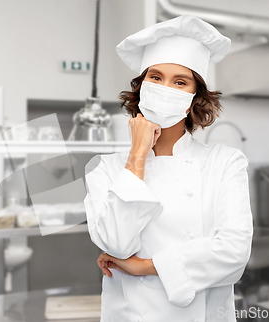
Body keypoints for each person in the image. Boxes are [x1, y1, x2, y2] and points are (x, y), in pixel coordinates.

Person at [83, 15, 253, 322]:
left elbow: (234, 253)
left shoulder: (224, 162)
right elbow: (116, 243)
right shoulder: (104, 168)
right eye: (156, 77)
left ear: (192, 99)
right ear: (141, 87)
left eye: (180, 82)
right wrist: (138, 152)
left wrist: (147, 266)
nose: (165, 88)